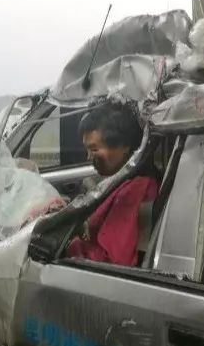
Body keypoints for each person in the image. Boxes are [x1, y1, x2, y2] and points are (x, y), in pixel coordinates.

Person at [66, 101, 158, 267]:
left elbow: (112, 261)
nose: (88, 157)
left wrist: (70, 244)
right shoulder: (120, 180)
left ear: (124, 145)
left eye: (94, 149)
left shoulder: (134, 190)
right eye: (87, 150)